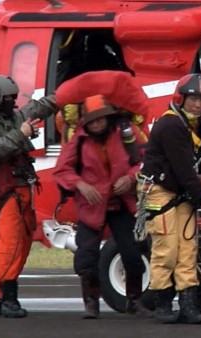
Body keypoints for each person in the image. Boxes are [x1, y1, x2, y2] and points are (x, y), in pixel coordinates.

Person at [53, 94, 151, 319]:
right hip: (91, 206)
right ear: (85, 122)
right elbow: (61, 170)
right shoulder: (78, 140)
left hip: (122, 204)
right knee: (86, 257)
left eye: (101, 119)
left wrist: (130, 177)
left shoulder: (127, 133)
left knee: (133, 253)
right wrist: (80, 184)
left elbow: (145, 160)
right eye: (92, 120)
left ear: (109, 118)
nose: (97, 124)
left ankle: (134, 302)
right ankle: (91, 304)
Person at [139, 73, 201, 325]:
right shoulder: (171, 125)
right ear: (182, 97)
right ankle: (162, 304)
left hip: (180, 193)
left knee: (187, 249)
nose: (198, 104)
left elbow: (184, 171)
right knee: (166, 249)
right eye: (194, 98)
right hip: (159, 191)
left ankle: (188, 304)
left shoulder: (186, 124)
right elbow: (183, 168)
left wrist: (196, 195)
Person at [0, 74, 57, 318]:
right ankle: (8, 298)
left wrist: (65, 96)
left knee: (22, 244)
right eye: (8, 98)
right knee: (10, 245)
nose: (13, 101)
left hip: (22, 191)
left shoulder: (14, 118)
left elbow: (38, 107)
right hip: (8, 194)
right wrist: (21, 134)